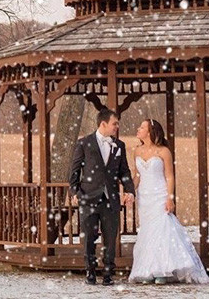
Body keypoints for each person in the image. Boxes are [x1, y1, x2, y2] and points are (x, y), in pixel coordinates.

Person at [128, 119, 209, 284]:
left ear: (150, 131)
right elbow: (137, 175)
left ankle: (162, 270)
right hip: (145, 197)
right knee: (148, 232)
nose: (138, 129)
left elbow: (169, 176)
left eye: (142, 127)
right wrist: (131, 192)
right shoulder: (136, 151)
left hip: (159, 194)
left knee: (162, 230)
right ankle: (148, 269)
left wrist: (170, 198)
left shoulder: (164, 151)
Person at [69, 108, 135, 286]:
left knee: (110, 238)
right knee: (89, 238)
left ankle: (108, 274)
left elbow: (124, 171)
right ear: (103, 124)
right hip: (88, 198)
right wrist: (75, 193)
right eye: (115, 123)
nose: (117, 127)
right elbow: (74, 172)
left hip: (111, 199)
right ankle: (90, 272)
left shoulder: (119, 146)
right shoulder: (84, 143)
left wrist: (129, 190)